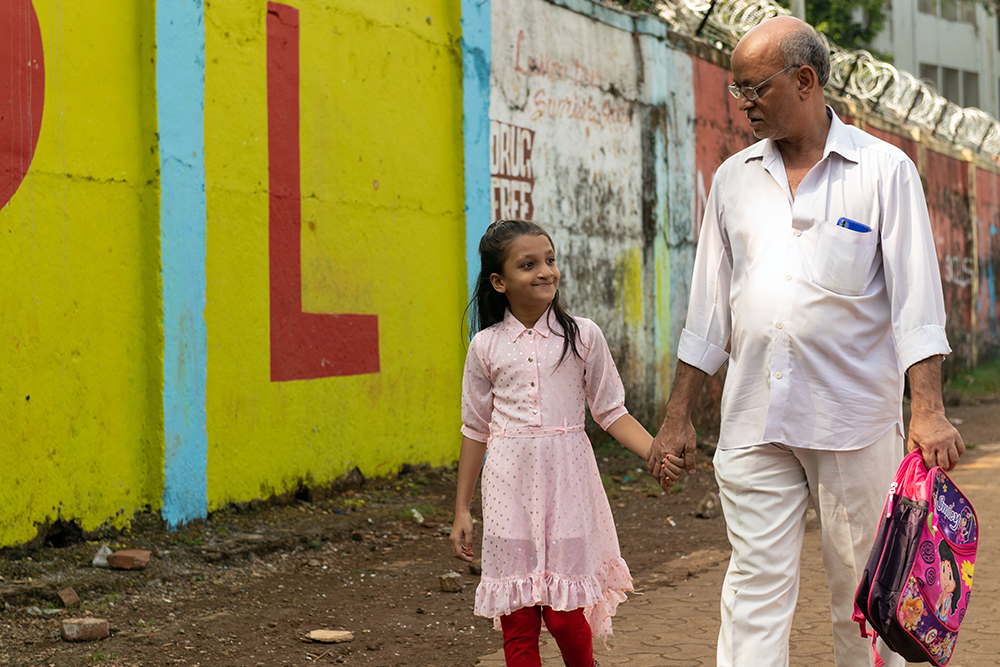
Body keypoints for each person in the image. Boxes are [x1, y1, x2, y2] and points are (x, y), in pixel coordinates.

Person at [645, 16, 965, 667]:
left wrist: (926, 407)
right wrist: (678, 414)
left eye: (754, 88)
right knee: (753, 591)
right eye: (736, 91)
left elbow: (916, 302)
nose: (744, 103)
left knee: (863, 595)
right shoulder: (733, 178)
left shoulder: (884, 171)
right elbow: (708, 310)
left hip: (851, 419)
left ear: (806, 79)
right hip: (753, 416)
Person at [450, 219, 682, 667]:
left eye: (550, 260)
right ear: (499, 282)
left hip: (569, 488)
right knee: (518, 619)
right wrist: (462, 509)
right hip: (506, 490)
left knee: (564, 616)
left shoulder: (583, 335)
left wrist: (656, 451)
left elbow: (611, 411)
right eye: (529, 264)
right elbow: (475, 429)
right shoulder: (485, 347)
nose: (546, 272)